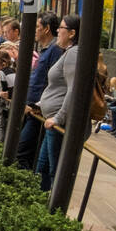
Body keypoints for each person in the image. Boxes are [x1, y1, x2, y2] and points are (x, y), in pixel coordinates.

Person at [35, 13, 80, 192]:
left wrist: (58, 118)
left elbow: (73, 88)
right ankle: (40, 204)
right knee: (43, 167)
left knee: (54, 171)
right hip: (51, 121)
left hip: (57, 122)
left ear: (71, 33)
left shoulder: (74, 53)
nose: (58, 31)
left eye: (61, 28)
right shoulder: (68, 52)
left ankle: (52, 211)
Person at [16, 11, 63, 169]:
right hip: (31, 110)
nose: (34, 30)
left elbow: (54, 84)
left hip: (39, 112)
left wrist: (37, 106)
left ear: (46, 29)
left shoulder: (55, 50)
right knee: (25, 152)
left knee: (22, 152)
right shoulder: (46, 50)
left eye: (37, 26)